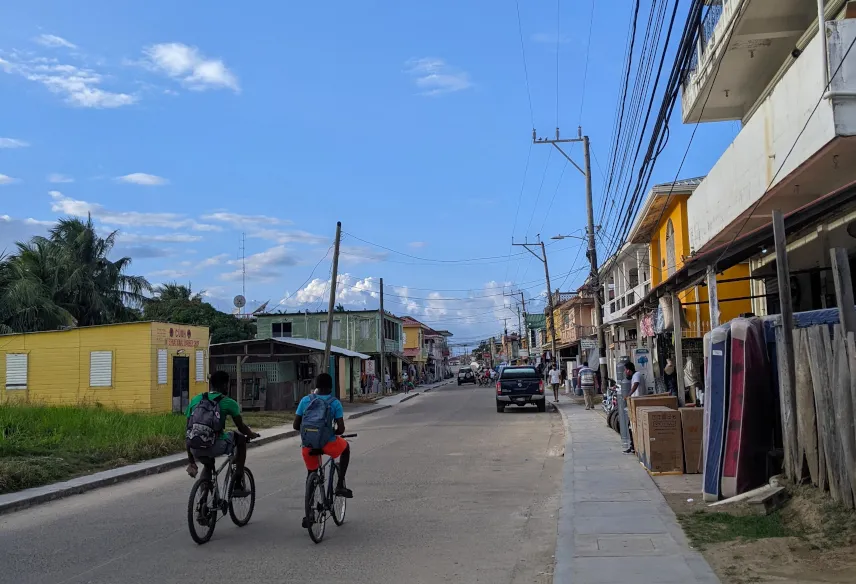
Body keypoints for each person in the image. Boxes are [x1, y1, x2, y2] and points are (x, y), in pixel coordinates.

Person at [185, 371, 259, 497]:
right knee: (240, 439)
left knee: (208, 466)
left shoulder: (195, 400)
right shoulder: (228, 402)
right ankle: (238, 484)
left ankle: (203, 502)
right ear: (225, 385)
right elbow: (241, 427)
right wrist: (251, 434)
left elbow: (188, 429)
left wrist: (191, 459)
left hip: (195, 447)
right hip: (215, 446)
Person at [293, 373, 353, 511]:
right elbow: (341, 429)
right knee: (346, 448)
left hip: (308, 445)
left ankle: (309, 513)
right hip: (327, 444)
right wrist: (333, 433)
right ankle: (339, 485)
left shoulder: (305, 400)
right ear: (331, 387)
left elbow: (296, 426)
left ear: (316, 386)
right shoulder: (335, 403)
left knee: (311, 474)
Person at [623, 361, 646, 454]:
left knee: (631, 426)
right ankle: (634, 446)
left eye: (625, 370)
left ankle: (633, 446)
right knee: (632, 426)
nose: (625, 372)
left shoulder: (636, 375)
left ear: (629, 370)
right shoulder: (636, 375)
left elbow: (636, 384)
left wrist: (629, 395)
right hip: (636, 403)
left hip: (637, 403)